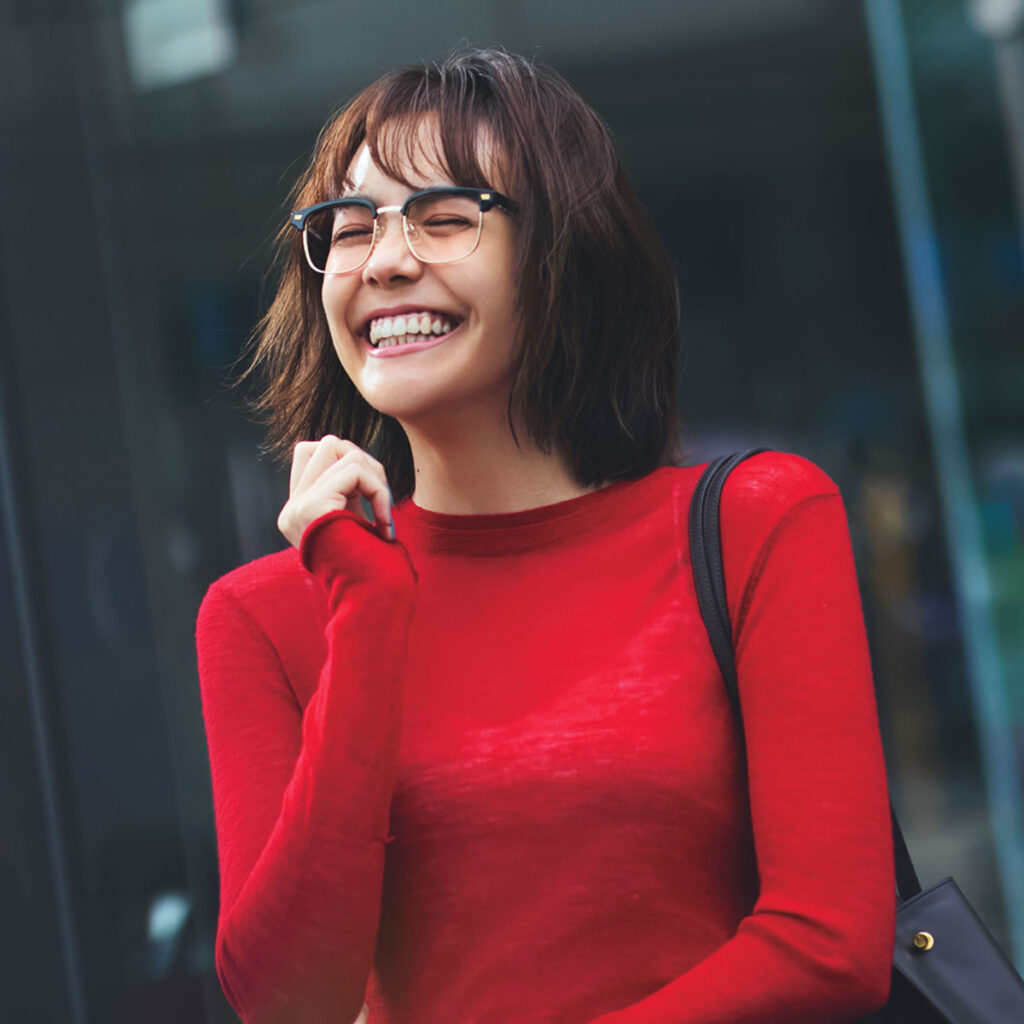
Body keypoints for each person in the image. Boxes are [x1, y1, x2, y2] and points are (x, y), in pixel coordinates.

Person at [196, 48, 896, 1024]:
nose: (386, 260)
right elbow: (286, 1002)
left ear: (564, 255)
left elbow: (830, 944)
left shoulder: (760, 522)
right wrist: (365, 611)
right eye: (348, 227)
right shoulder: (266, 615)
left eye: (443, 217)